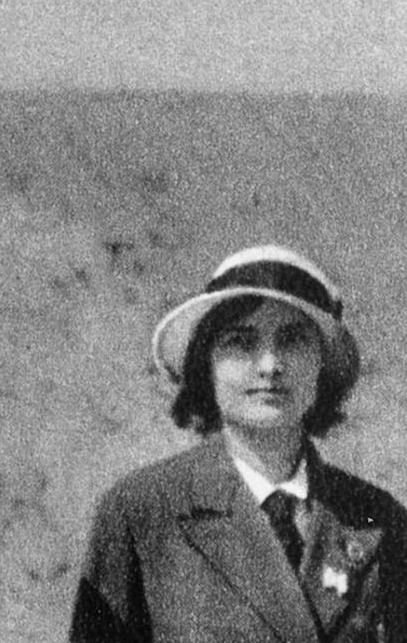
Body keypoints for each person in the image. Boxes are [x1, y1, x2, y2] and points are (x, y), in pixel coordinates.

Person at [70, 244, 407, 642]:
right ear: (205, 364)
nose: (269, 366)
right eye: (241, 342)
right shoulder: (142, 511)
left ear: (322, 366)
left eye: (293, 339)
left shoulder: (376, 518)